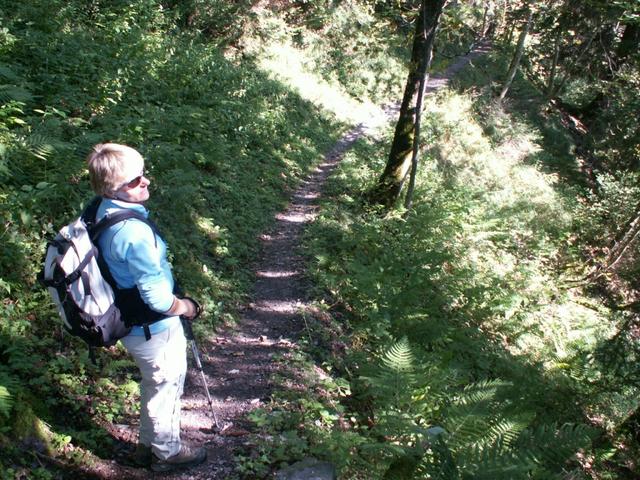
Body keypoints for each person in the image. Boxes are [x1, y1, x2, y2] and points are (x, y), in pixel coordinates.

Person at [86, 142, 207, 472]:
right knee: (166, 385)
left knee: (154, 384)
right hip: (153, 327)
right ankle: (167, 453)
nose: (146, 182)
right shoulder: (134, 233)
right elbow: (157, 299)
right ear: (114, 188)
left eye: (144, 174)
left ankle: (146, 447)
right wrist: (186, 306)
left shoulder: (100, 211)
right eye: (135, 180)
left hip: (131, 321)